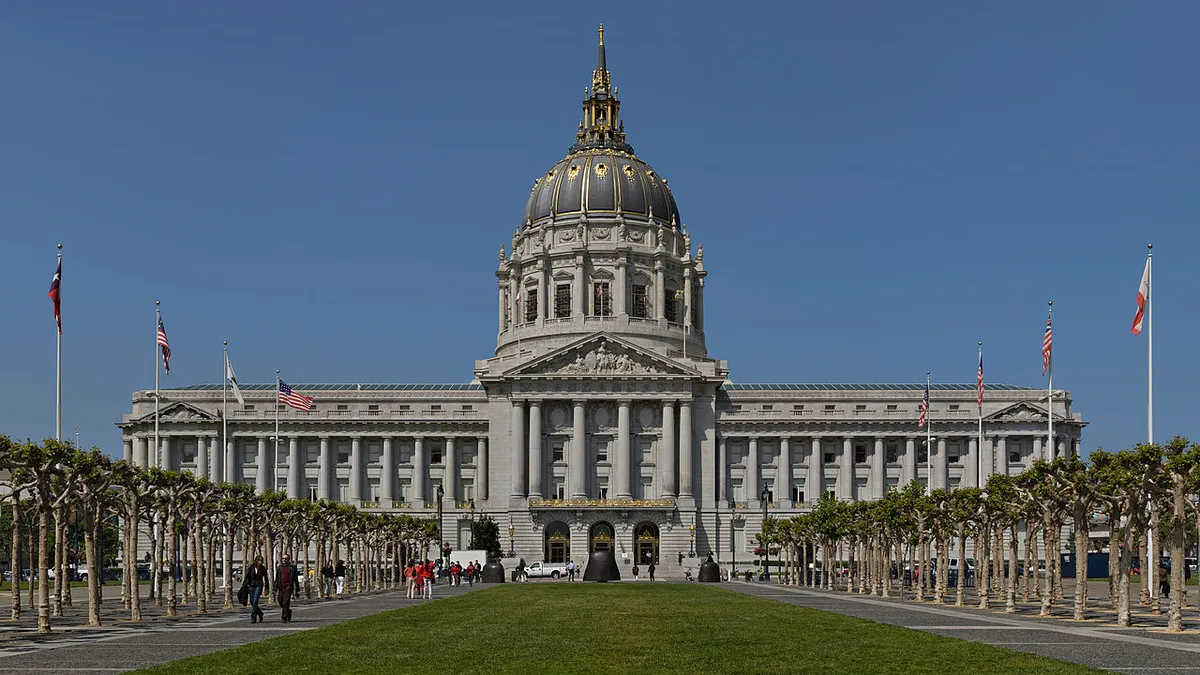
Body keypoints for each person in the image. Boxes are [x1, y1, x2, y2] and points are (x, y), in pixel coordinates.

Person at [242, 555, 269, 624]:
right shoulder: (251, 567)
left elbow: (266, 579)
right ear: (256, 560)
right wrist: (245, 584)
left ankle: (253, 617)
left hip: (259, 585)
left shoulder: (263, 569)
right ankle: (260, 613)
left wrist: (267, 588)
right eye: (259, 560)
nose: (260, 562)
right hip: (251, 585)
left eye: (261, 561)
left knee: (255, 601)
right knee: (251, 602)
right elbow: (247, 576)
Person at [275, 553, 300, 623]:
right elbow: (277, 579)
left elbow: (295, 579)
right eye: (283, 558)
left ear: (289, 559)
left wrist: (297, 589)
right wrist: (275, 588)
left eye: (286, 559)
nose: (284, 560)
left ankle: (284, 617)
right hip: (280, 587)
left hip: (288, 587)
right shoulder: (279, 568)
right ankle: (288, 611)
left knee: (285, 602)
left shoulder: (292, 568)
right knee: (280, 601)